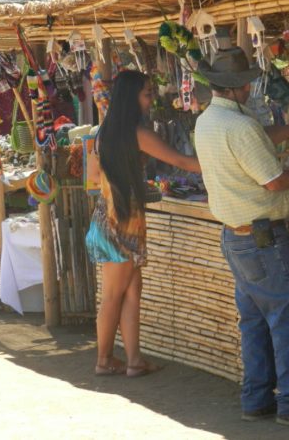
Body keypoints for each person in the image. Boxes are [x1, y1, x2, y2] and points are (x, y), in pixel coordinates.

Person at [194, 47, 289, 428]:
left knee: (255, 320)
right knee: (288, 317)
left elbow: (255, 139)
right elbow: (273, 180)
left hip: (236, 238)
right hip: (262, 239)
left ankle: (256, 398)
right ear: (240, 85)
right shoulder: (238, 126)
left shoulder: (209, 121)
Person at [86, 70, 201, 377]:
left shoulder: (102, 133)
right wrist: (224, 164)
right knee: (114, 294)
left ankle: (134, 360)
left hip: (111, 215)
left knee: (132, 290)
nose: (152, 99)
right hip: (123, 221)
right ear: (131, 98)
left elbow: (92, 178)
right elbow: (182, 162)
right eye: (148, 93)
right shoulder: (136, 133)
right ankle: (104, 360)